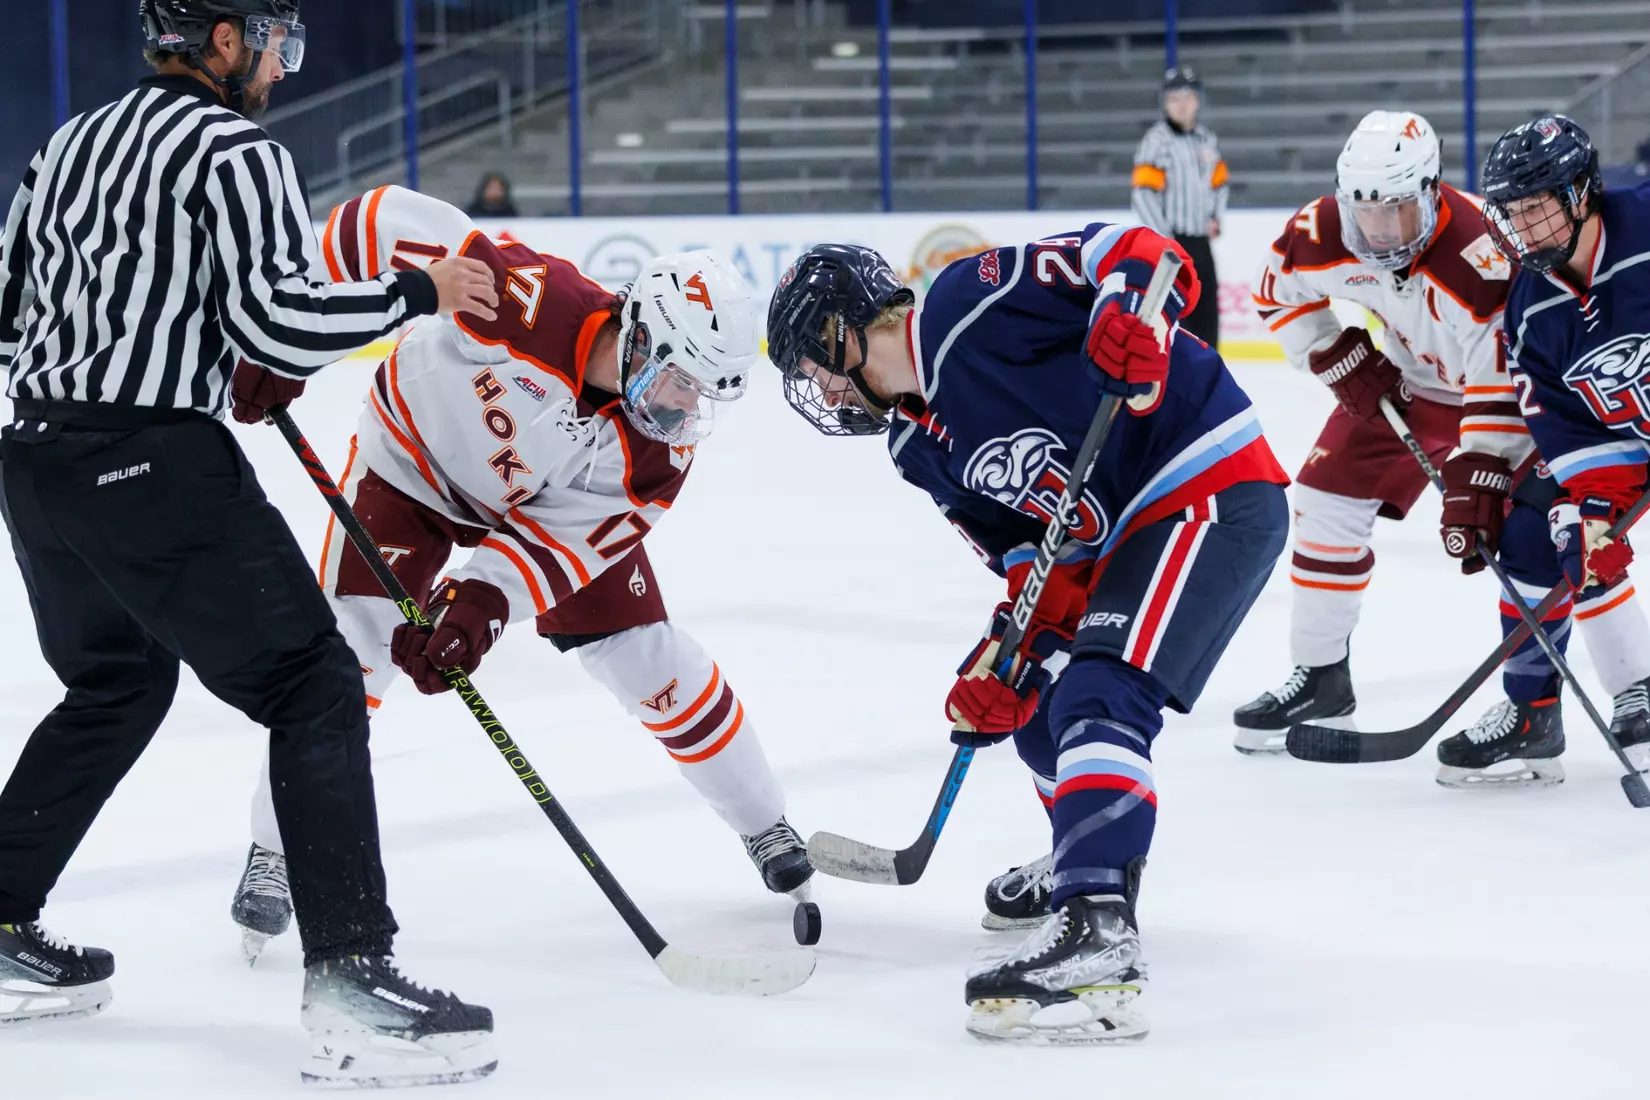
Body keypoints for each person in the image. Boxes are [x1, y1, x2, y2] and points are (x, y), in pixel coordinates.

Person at [0, 1, 503, 1088]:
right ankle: (352, 977)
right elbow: (279, 324)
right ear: (223, 40)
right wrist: (420, 290)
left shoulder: (65, 144)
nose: (282, 63)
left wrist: (165, 337)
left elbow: (8, 316)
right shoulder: (234, 147)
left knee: (114, 686)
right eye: (275, 38)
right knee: (314, 684)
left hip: (35, 460)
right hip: (149, 463)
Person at [226, 185, 813, 960]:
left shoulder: (656, 455)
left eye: (703, 394)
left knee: (647, 654)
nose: (683, 408)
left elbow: (561, 543)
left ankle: (763, 820)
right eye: (679, 379)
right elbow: (378, 221)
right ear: (641, 336)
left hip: (532, 500)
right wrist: (282, 338)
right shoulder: (525, 298)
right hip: (409, 467)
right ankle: (275, 848)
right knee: (350, 658)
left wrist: (479, 607)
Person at [766, 223, 1290, 1043]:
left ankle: (1099, 928)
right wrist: (1009, 650)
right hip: (1117, 537)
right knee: (1038, 704)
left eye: (811, 366)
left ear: (841, 330)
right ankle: (1087, 852)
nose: (819, 392)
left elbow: (1136, 248)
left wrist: (1134, 318)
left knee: (1100, 693)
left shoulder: (964, 305)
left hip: (1204, 482)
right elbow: (1030, 554)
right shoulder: (912, 445)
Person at [1235, 109, 1650, 787]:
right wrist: (1329, 350)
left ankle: (1618, 691)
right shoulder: (1322, 232)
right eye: (1366, 215)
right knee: (1322, 498)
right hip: (1400, 389)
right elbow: (1274, 289)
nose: (1379, 233)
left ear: (1430, 190)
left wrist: (1480, 466)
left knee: (1547, 533)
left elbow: (1505, 373)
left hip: (1496, 404)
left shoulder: (1486, 253)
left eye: (1397, 213)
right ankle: (1320, 675)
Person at [1477, 114, 1650, 775]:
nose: (1523, 229)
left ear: (1580, 194)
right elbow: (1573, 431)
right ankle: (1634, 692)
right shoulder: (1528, 311)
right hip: (1626, 439)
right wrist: (1597, 512)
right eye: (1512, 214)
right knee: (1561, 528)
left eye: (1535, 209)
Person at [1130, 66, 1227, 349]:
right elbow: (1143, 194)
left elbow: (1219, 183)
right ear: (1165, 101)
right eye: (1174, 96)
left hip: (1200, 241)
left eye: (1187, 95)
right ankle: (1178, 378)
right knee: (1177, 315)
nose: (1181, 103)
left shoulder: (1207, 139)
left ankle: (1209, 372)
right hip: (1172, 245)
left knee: (1207, 311)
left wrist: (1215, 217)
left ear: (1197, 99)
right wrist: (1164, 238)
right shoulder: (1157, 141)